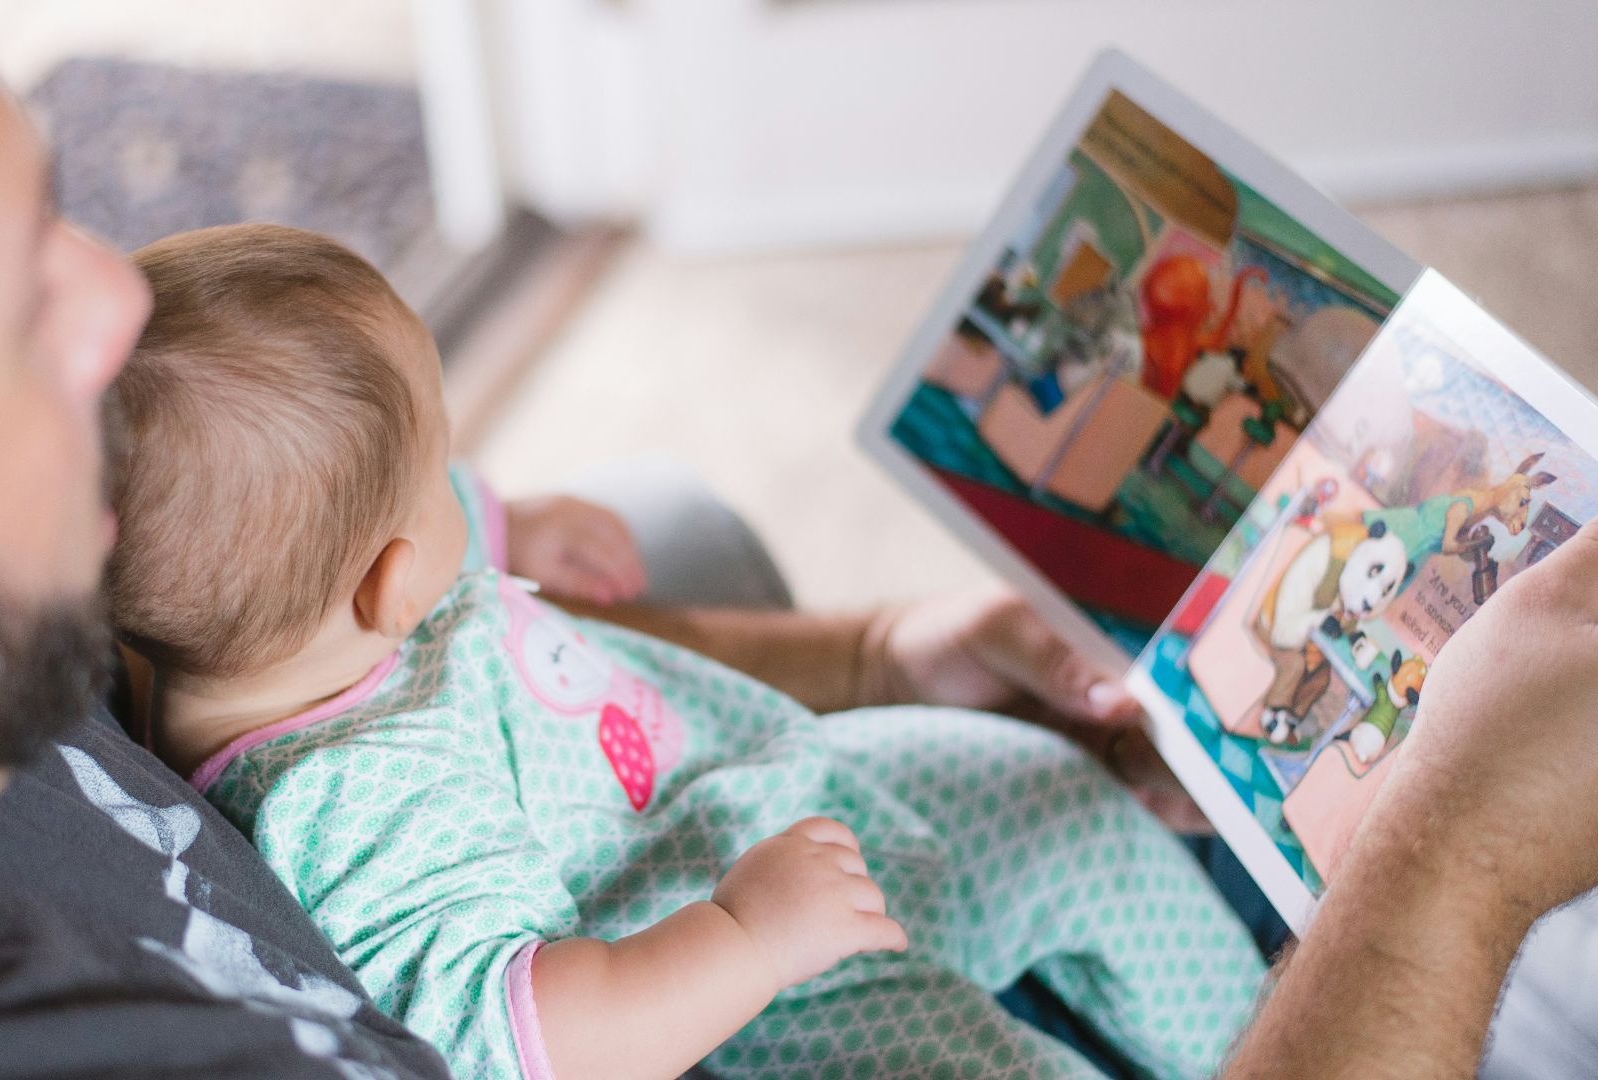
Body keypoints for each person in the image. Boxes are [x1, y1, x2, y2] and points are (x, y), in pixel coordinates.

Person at [0, 2, 1592, 1077]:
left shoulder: (12, 595)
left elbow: (430, 634)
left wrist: (864, 654)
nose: (113, 304)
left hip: (731, 825)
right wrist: (1454, 866)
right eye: (12, 305)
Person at [105, 223, 1268, 1079]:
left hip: (780, 783)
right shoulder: (357, 802)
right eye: (443, 468)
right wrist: (748, 937)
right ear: (392, 582)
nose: (462, 483)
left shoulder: (288, 616)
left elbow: (377, 517)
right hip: (764, 983)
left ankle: (1260, 1037)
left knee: (1057, 795)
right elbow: (526, 1040)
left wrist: (508, 520)